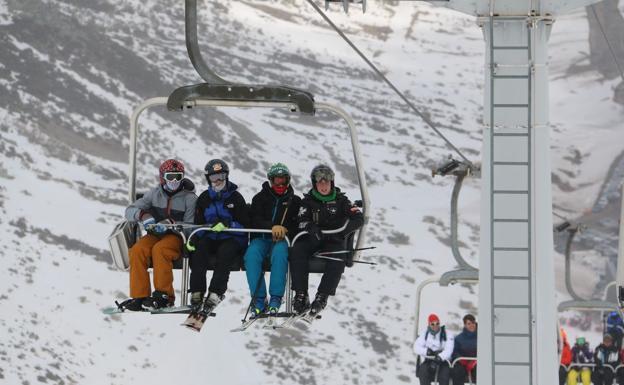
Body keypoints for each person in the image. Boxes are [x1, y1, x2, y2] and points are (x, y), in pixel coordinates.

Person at [122, 159, 197, 310]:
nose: (175, 181)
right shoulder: (154, 194)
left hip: (177, 237)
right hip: (155, 234)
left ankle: (164, 296)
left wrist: (172, 225)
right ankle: (139, 296)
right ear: (162, 177)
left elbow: (190, 227)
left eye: (178, 177)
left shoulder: (189, 198)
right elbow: (129, 211)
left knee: (160, 250)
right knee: (137, 250)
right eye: (170, 177)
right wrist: (143, 215)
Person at [289, 164, 364, 315]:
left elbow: (358, 218)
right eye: (320, 183)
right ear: (315, 184)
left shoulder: (341, 201)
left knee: (338, 257)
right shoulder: (308, 201)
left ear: (332, 183)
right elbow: (300, 219)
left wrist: (342, 232)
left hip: (333, 239)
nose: (323, 186)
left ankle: (322, 296)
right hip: (313, 239)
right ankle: (301, 294)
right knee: (297, 251)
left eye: (326, 183)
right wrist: (310, 227)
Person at [188, 159, 249, 309]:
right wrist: (195, 236)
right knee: (199, 249)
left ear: (226, 176)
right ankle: (197, 291)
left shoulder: (236, 198)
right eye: (214, 177)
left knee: (225, 252)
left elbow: (246, 224)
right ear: (208, 179)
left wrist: (228, 225)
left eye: (221, 176)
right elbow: (199, 224)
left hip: (232, 238)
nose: (218, 181)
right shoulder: (204, 198)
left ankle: (216, 292)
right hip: (210, 237)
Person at [244, 163, 301, 317]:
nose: (280, 184)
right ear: (271, 181)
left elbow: (297, 223)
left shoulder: (294, 201)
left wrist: (286, 230)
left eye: (283, 181)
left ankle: (276, 298)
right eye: (277, 181)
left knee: (280, 254)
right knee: (251, 255)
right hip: (262, 239)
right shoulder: (260, 198)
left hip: (282, 240)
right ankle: (259, 299)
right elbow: (254, 219)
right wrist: (271, 226)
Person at [413, 313, 455, 385]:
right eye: (432, 324)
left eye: (437, 323)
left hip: (443, 361)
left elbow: (449, 349)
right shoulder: (425, 334)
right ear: (429, 324)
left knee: (444, 376)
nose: (435, 326)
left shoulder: (447, 334)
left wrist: (440, 357)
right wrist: (427, 351)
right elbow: (416, 347)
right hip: (429, 359)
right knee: (423, 372)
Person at [451, 314, 477, 385]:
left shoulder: (480, 337)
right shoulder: (459, 339)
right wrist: (461, 360)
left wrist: (474, 362)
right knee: (457, 371)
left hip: (476, 363)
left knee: (479, 371)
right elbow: (454, 352)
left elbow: (484, 351)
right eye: (469, 324)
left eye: (473, 323)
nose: (472, 325)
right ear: (465, 325)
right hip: (462, 363)